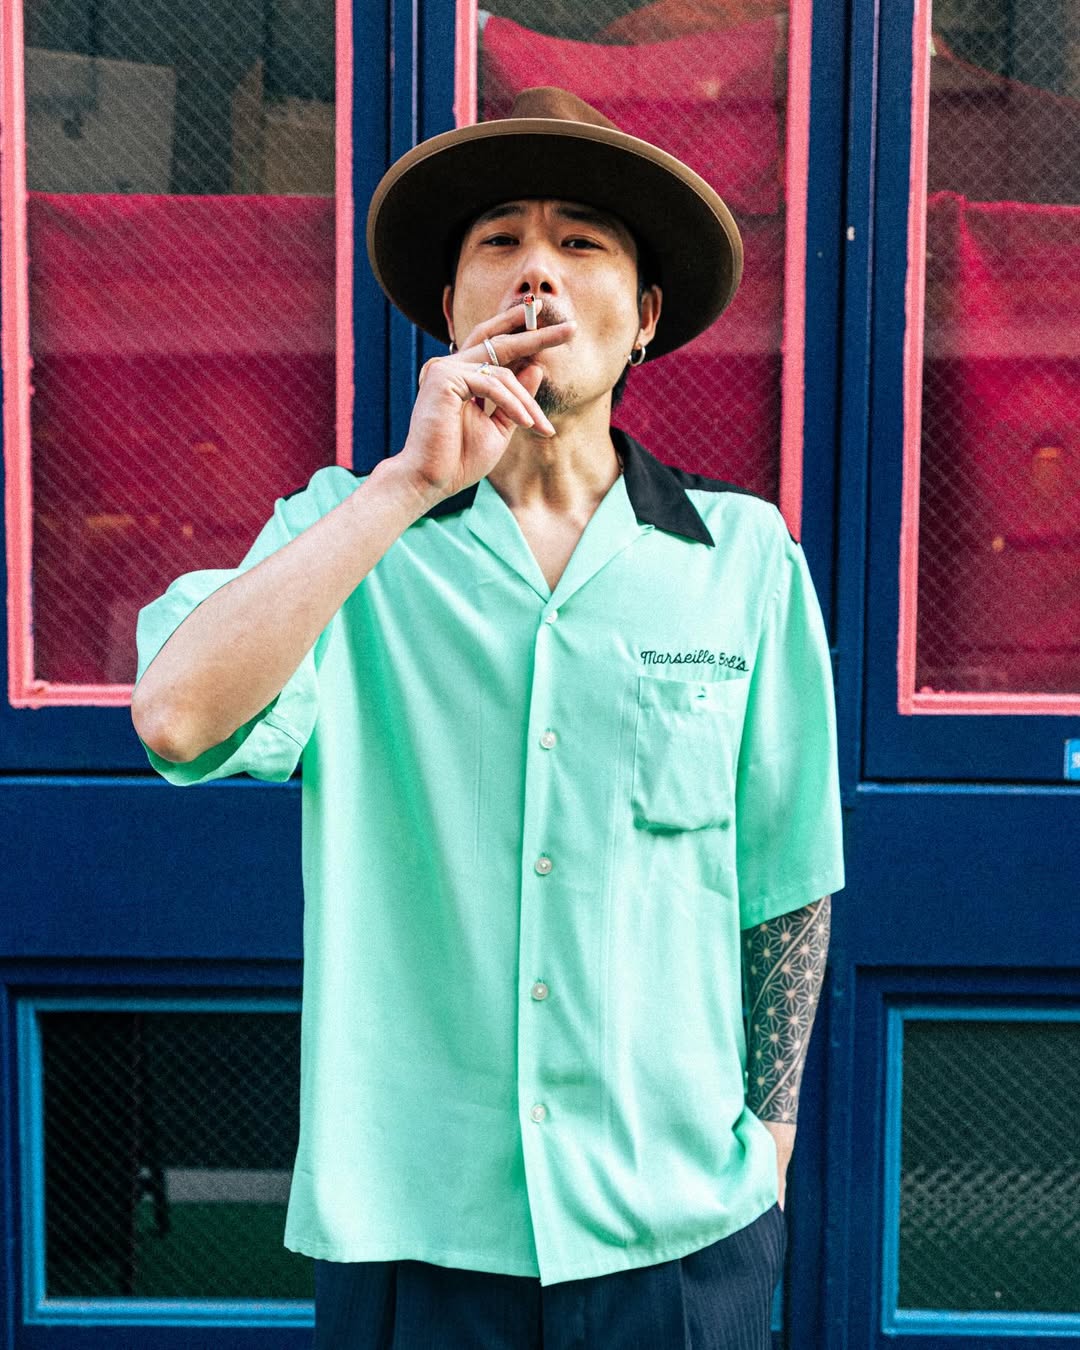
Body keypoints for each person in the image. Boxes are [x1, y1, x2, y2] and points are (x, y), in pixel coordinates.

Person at [133, 86, 844, 1349]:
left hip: (676, 1228)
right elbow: (177, 718)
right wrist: (405, 486)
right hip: (417, 1227)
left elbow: (784, 877)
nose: (537, 272)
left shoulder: (744, 559)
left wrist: (769, 1149)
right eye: (500, 241)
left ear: (645, 316)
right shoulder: (345, 533)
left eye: (582, 242)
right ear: (450, 307)